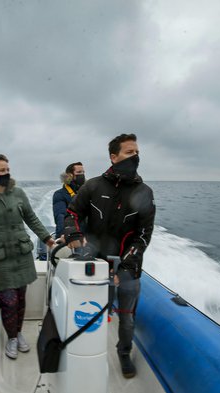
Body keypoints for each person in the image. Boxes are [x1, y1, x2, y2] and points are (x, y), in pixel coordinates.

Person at [63, 134, 155, 378]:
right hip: (93, 267)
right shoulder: (92, 186)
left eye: (136, 152)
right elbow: (71, 213)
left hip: (127, 270)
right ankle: (83, 353)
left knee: (127, 321)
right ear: (113, 157)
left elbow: (144, 236)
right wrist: (73, 234)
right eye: (129, 152)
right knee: (87, 315)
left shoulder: (144, 192)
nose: (135, 156)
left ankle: (124, 353)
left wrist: (124, 267)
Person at [0, 154, 55, 360]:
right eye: (1, 171)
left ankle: (17, 333)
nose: (6, 174)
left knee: (21, 299)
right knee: (9, 302)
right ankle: (12, 338)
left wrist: (47, 239)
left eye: (7, 170)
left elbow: (31, 218)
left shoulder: (18, 193)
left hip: (21, 255)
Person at [52, 162, 85, 239]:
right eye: (79, 172)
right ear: (70, 175)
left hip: (88, 238)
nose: (82, 175)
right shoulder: (59, 194)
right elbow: (61, 217)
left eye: (83, 172)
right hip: (71, 237)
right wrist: (63, 236)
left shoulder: (87, 192)